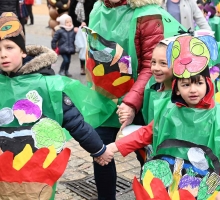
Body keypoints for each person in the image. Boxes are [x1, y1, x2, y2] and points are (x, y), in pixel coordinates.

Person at [104, 35, 220, 200]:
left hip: (205, 187)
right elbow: (147, 133)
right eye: (185, 84)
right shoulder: (168, 110)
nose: (192, 90)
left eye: (198, 83)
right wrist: (114, 147)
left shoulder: (219, 116)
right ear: (176, 89)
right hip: (171, 185)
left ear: (208, 84)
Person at [0, 12, 116, 199]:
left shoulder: (46, 85)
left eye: (9, 47)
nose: (3, 54)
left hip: (36, 171)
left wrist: (98, 150)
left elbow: (75, 122)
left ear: (23, 51)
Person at [87, 0, 187, 198]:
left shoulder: (147, 14)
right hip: (105, 97)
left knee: (150, 158)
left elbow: (151, 67)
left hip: (142, 96)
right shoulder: (98, 8)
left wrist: (132, 103)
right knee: (100, 152)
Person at [69, 0, 97, 75]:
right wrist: (74, 26)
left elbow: (94, 13)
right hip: (78, 28)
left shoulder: (92, 2)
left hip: (90, 26)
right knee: (82, 47)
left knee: (92, 46)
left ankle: (93, 66)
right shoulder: (74, 2)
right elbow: (71, 14)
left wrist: (86, 22)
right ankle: (83, 66)